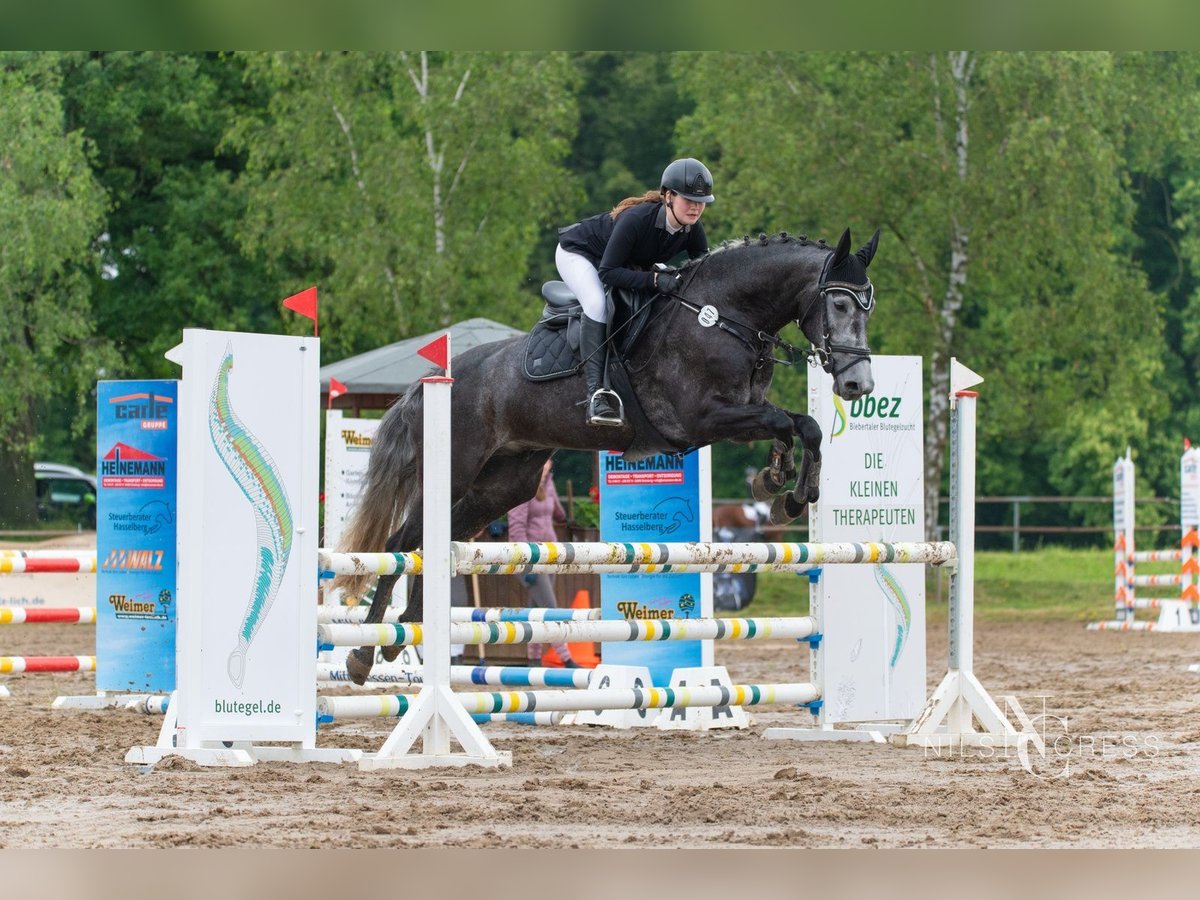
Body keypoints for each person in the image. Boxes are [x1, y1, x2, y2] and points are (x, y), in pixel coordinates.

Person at [556, 157, 714, 427]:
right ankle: (596, 393)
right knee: (597, 305)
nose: (696, 207)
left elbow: (704, 272)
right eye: (689, 200)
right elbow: (608, 272)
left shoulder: (691, 229)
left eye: (700, 202)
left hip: (620, 263)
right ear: (668, 196)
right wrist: (654, 280)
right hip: (579, 254)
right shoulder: (636, 220)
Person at [506, 458, 577, 667]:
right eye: (542, 463)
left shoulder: (549, 484)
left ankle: (534, 659)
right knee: (550, 608)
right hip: (530, 556)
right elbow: (517, 530)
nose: (545, 467)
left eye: (547, 463)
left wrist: (566, 517)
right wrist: (528, 563)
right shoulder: (522, 488)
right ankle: (567, 658)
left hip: (551, 555)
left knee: (537, 609)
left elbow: (555, 511)